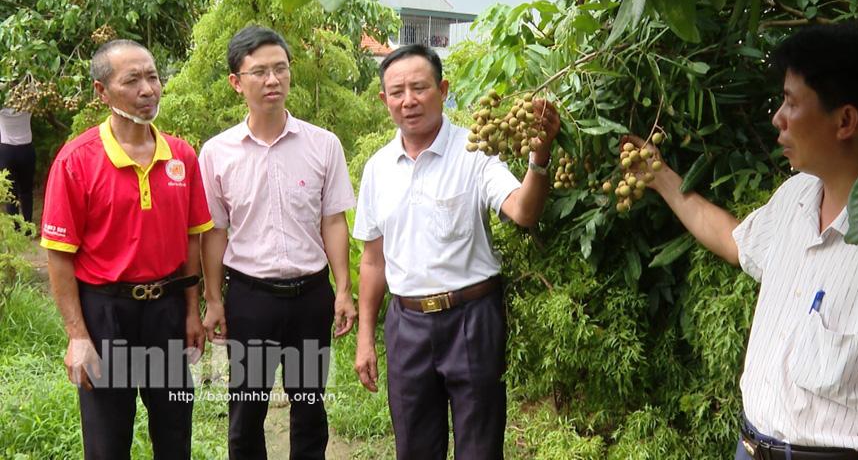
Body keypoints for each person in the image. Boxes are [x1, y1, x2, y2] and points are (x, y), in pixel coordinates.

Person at [640, 21, 858, 460]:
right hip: (750, 447)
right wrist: (661, 178)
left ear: (845, 120)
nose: (778, 117)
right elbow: (736, 241)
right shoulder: (797, 197)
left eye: (791, 102)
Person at [352, 44, 561, 459]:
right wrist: (365, 338)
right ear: (384, 100)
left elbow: (522, 211)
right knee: (414, 447)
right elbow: (373, 260)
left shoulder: (476, 152)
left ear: (443, 89)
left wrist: (540, 154)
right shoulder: (377, 169)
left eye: (419, 88)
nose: (408, 100)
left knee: (480, 449)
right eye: (397, 92)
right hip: (406, 325)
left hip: (472, 321)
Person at [40, 40, 213, 459]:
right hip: (105, 315)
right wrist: (77, 336)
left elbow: (194, 237)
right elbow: (60, 255)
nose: (148, 89)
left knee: (174, 434)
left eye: (152, 76)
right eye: (131, 80)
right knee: (107, 440)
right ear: (102, 92)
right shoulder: (76, 160)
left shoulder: (182, 156)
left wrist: (192, 311)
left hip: (167, 311)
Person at [198, 25, 357, 460]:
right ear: (237, 82)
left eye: (281, 69)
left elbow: (333, 221)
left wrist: (343, 290)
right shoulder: (216, 153)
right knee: (247, 409)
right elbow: (214, 232)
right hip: (251, 298)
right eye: (260, 72)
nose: (273, 80)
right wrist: (214, 299)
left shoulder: (323, 145)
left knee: (310, 405)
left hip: (310, 296)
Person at [0, 107, 35, 223]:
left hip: (7, 152)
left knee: (10, 194)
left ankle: (15, 228)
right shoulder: (27, 104)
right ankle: (28, 225)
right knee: (26, 191)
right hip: (26, 150)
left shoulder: (2, 108)